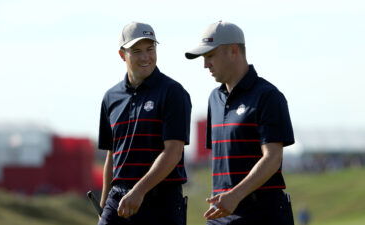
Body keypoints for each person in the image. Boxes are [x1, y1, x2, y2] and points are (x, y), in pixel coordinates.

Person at [185, 21, 295, 225]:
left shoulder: (268, 96)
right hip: (221, 215)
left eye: (210, 55)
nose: (205, 64)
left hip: (263, 215)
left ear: (233, 50)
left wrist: (235, 196)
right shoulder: (214, 99)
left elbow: (273, 158)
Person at [97, 21, 191, 225]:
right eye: (137, 51)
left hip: (161, 200)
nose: (146, 57)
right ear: (122, 55)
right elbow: (112, 154)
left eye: (150, 49)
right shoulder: (111, 97)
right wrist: (104, 204)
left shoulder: (173, 92)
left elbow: (173, 152)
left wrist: (139, 191)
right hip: (119, 198)